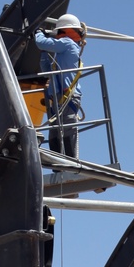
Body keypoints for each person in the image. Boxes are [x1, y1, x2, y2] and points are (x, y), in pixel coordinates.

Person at [34, 13, 86, 158]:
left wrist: (38, 33)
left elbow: (40, 42)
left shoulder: (67, 43)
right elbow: (47, 70)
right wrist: (44, 53)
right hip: (57, 98)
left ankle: (71, 163)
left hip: (67, 97)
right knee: (55, 131)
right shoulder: (63, 51)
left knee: (67, 130)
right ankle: (58, 164)